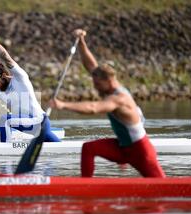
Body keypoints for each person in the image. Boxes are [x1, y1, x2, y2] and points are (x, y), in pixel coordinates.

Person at [49, 29, 165, 178]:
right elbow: (91, 65)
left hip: (140, 151)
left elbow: (93, 108)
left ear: (108, 81)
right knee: (88, 148)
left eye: (97, 84)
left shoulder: (119, 99)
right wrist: (81, 42)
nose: (95, 87)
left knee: (160, 184)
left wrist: (63, 105)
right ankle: (85, 187)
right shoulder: (108, 85)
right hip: (122, 147)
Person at [0, 31, 60, 142]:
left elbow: (6, 57)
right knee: (58, 146)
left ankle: (5, 148)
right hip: (30, 128)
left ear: (4, 75)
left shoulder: (20, 78)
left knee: (4, 119)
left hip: (39, 121)